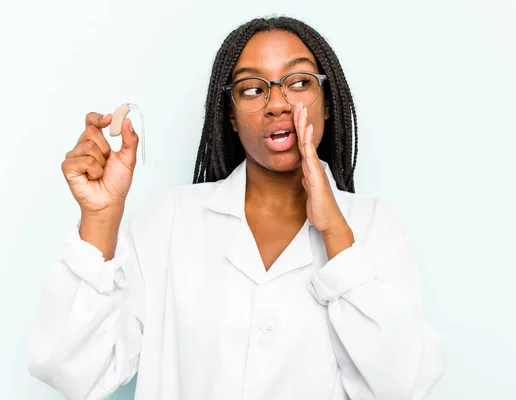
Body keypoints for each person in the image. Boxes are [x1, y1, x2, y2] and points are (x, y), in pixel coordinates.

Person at [28, 16, 445, 400]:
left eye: (299, 82)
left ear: (328, 101)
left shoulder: (375, 227)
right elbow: (73, 370)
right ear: (229, 115)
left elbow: (403, 384)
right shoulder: (167, 221)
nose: (277, 104)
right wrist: (100, 219)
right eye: (252, 88)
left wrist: (336, 232)